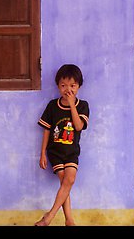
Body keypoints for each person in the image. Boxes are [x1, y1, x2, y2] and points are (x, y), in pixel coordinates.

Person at [35, 64, 90, 226]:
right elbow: (46, 130)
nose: (68, 89)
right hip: (55, 152)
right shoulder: (53, 105)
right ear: (58, 86)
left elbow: (79, 126)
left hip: (72, 152)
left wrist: (72, 104)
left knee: (69, 180)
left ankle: (50, 217)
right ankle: (69, 220)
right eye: (63, 85)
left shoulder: (83, 105)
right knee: (64, 182)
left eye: (72, 86)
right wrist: (42, 153)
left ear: (79, 86)